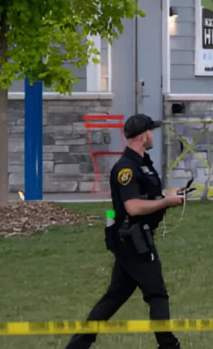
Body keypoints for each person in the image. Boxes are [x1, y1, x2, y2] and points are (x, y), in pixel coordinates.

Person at [64, 114, 185, 349]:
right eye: (150, 131)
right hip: (132, 239)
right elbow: (133, 206)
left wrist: (168, 196)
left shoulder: (143, 163)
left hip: (137, 237)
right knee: (156, 294)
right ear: (142, 135)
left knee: (115, 296)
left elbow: (147, 196)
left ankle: (77, 346)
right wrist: (165, 203)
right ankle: (169, 345)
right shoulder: (126, 168)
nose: (152, 135)